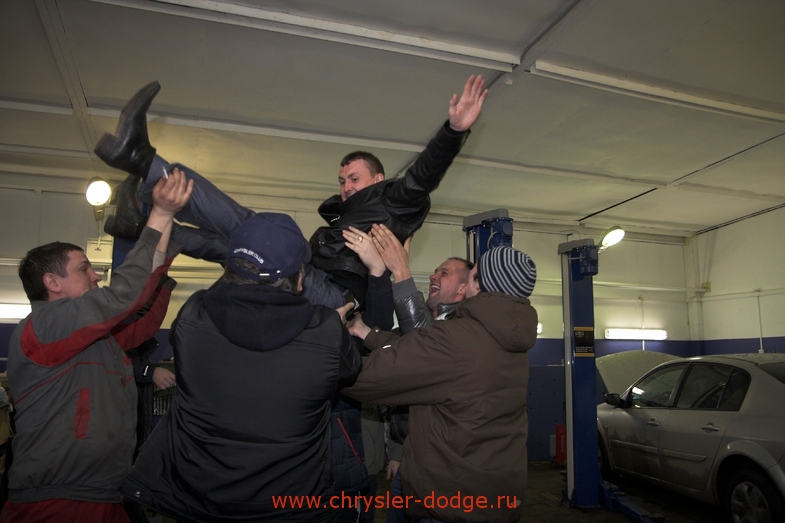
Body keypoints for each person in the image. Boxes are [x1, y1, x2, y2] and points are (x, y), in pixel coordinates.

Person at [94, 75, 488, 309]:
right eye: (342, 180)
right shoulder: (344, 216)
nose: (346, 187)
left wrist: (453, 131)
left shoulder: (395, 202)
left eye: (354, 178)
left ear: (379, 178)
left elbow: (424, 174)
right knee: (229, 247)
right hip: (315, 278)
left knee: (255, 228)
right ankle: (140, 225)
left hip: (337, 295)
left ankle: (142, 159)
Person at [119, 212, 363, 523]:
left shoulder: (193, 316)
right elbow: (350, 370)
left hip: (201, 503)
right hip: (290, 508)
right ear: (300, 280)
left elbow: (220, 302)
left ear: (230, 269)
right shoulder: (326, 332)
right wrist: (335, 329)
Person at [0, 170, 193, 523]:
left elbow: (141, 323)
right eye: (84, 269)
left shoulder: (94, 336)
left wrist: (163, 266)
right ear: (52, 282)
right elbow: (122, 297)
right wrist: (161, 214)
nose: (95, 275)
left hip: (108, 494)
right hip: (57, 502)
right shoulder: (44, 325)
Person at [343, 245, 539, 523]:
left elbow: (364, 379)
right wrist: (369, 334)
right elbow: (421, 354)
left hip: (449, 497)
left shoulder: (456, 338)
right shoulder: (510, 340)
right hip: (490, 490)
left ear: (476, 283)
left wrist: (324, 343)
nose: (435, 276)